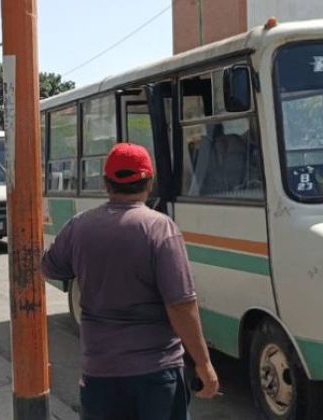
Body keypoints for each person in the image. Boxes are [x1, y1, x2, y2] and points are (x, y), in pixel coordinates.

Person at [41, 142, 219, 420]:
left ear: (106, 183)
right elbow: (181, 305)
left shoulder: (79, 226)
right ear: (150, 182)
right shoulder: (160, 228)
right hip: (156, 375)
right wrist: (204, 363)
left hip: (99, 374)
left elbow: (50, 268)